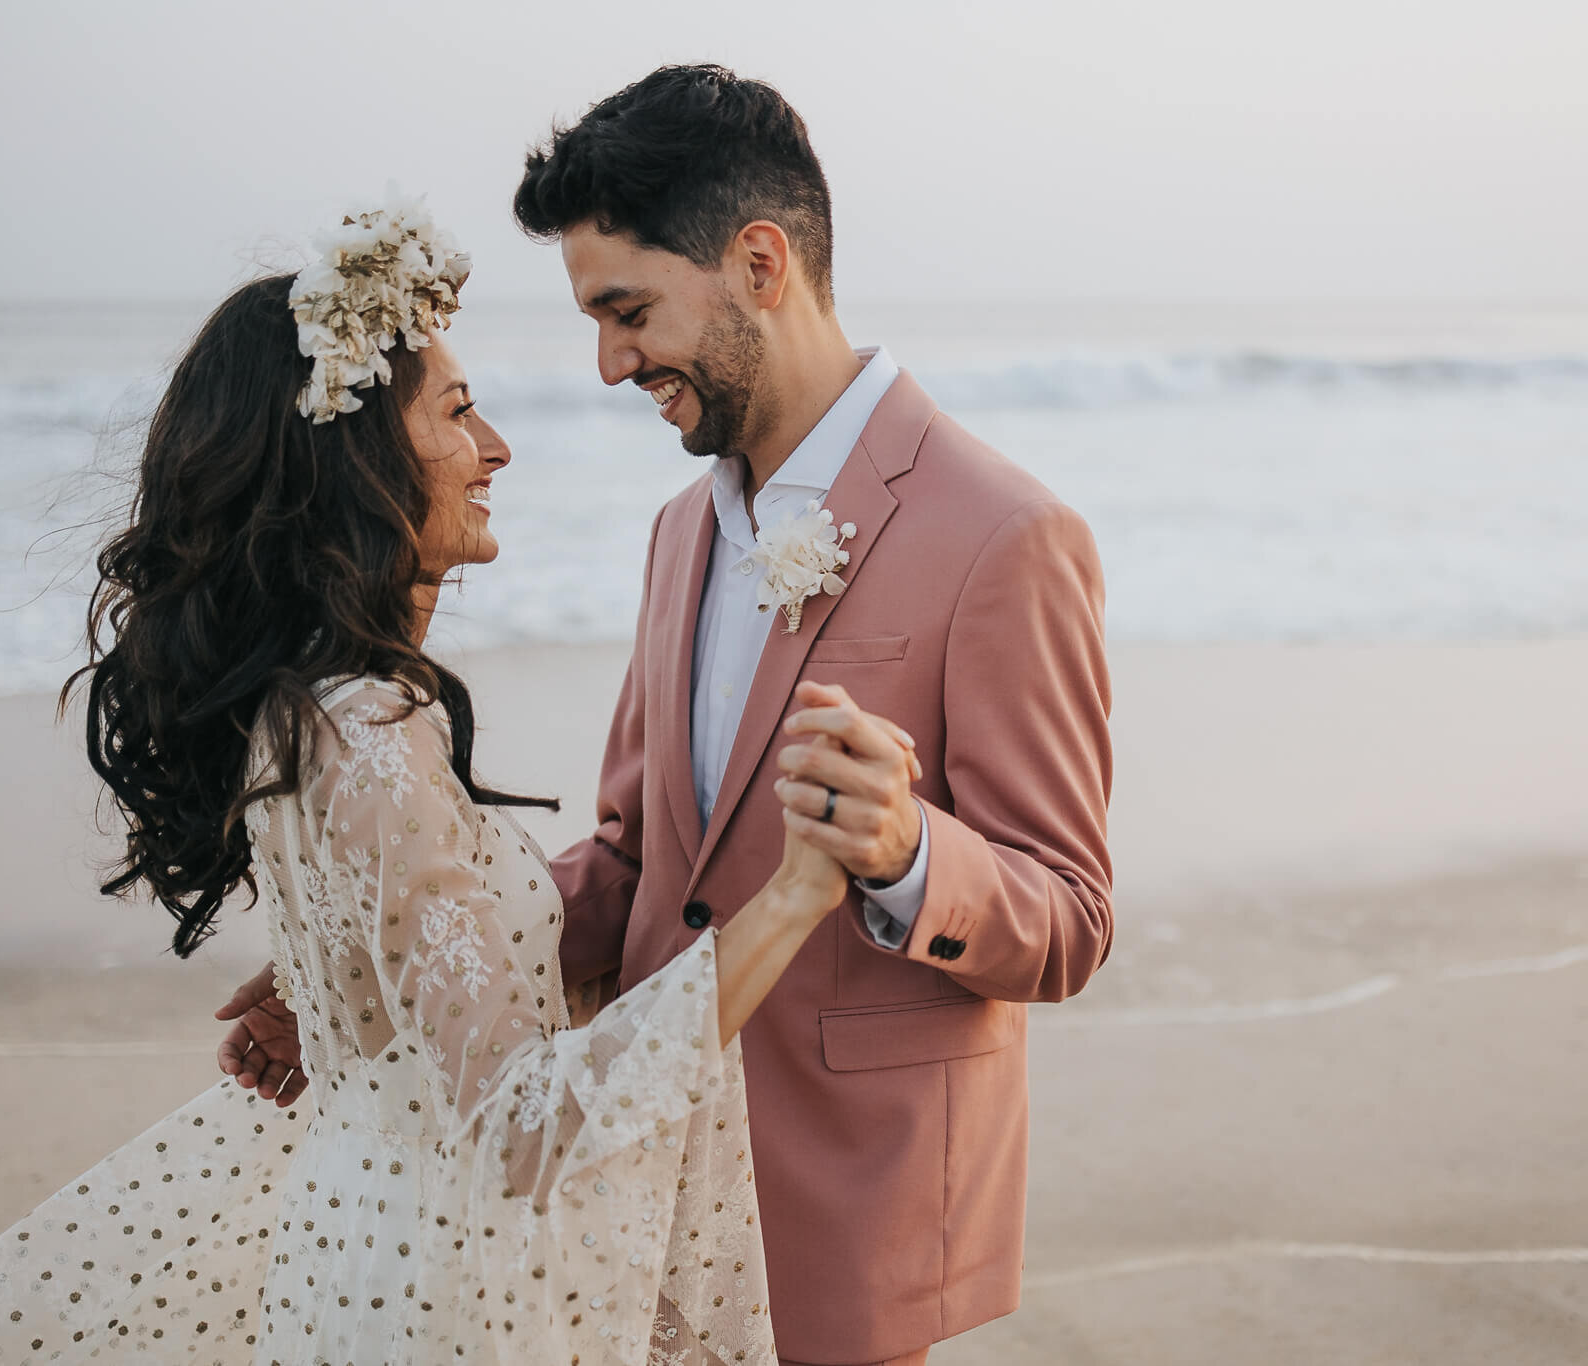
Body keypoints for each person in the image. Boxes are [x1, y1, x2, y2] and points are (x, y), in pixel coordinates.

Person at [222, 67, 1118, 1366]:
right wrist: (392, 962)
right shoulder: (677, 535)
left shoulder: (1006, 537)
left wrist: (906, 850)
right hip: (626, 1204)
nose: (606, 363)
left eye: (627, 311)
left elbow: (1072, 918)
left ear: (759, 262)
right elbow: (644, 864)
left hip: (841, 1216)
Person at [0, 198, 866, 1365]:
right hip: (435, 1287)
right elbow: (525, 1124)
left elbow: (426, 976)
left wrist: (343, 985)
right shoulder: (369, 733)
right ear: (353, 459)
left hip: (364, 1245)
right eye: (459, 412)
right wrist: (798, 894)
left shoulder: (307, 708)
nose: (497, 448)